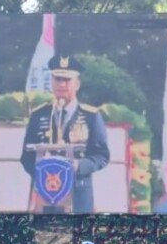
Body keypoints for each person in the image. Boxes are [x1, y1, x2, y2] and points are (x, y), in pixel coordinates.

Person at [19, 55, 110, 213]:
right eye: (57, 79)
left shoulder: (91, 116)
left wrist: (79, 166)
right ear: (52, 83)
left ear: (77, 84)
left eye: (67, 80)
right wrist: (42, 171)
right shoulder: (39, 114)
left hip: (78, 193)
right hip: (46, 194)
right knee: (50, 237)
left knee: (78, 237)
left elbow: (101, 156)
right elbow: (26, 156)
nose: (62, 84)